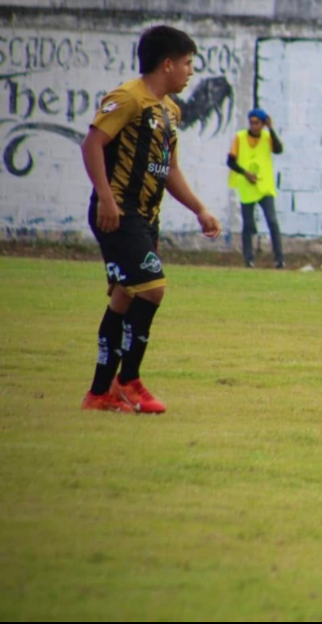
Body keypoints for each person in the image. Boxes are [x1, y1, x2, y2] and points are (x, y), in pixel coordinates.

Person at [80, 26, 222, 413]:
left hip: (145, 217)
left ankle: (99, 393)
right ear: (168, 64)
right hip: (118, 214)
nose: (191, 72)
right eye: (189, 64)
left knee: (124, 296)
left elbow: (169, 170)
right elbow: (92, 143)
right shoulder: (128, 98)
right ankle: (129, 380)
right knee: (153, 288)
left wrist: (199, 209)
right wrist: (106, 199)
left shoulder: (169, 111)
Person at [228, 108, 285, 268]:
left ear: (263, 123)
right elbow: (230, 162)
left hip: (265, 186)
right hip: (247, 186)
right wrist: (245, 173)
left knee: (272, 221)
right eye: (252, 123)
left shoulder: (267, 137)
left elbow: (279, 149)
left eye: (257, 123)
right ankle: (249, 259)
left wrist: (271, 129)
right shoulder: (240, 137)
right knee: (248, 224)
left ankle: (279, 258)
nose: (254, 126)